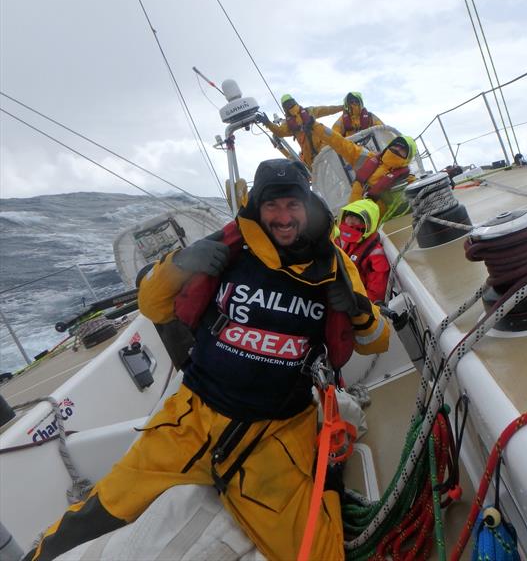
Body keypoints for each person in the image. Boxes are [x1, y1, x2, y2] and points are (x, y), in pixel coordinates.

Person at [25, 159, 390, 561]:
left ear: (309, 204)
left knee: (319, 551)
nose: (283, 217)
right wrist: (179, 264)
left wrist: (359, 310)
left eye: (292, 204)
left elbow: (377, 342)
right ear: (257, 207)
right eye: (272, 205)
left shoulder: (336, 266)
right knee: (98, 513)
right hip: (190, 419)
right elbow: (153, 304)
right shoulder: (229, 250)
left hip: (277, 435)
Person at [262, 94, 342, 169]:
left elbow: (279, 132)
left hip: (314, 156)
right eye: (288, 103)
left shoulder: (293, 120)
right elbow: (327, 110)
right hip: (320, 152)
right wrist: (268, 123)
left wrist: (268, 123)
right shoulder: (307, 112)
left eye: (290, 102)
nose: (290, 105)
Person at [335, 199, 390, 304]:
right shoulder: (339, 239)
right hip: (337, 291)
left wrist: (355, 303)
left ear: (368, 224)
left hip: (355, 301)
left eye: (357, 218)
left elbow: (376, 293)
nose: (351, 221)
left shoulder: (375, 254)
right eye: (349, 216)